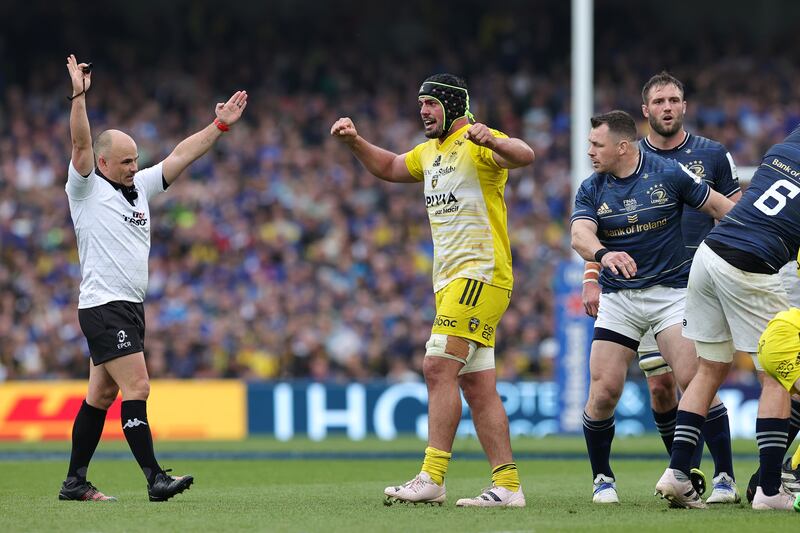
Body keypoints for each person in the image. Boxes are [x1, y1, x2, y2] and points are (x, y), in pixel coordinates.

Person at [331, 73, 534, 507]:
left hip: (479, 275)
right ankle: (508, 486)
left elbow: (526, 154)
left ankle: (433, 476)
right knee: (477, 386)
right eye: (420, 103)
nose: (422, 111)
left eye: (430, 103)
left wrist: (495, 141)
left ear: (452, 106)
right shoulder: (430, 152)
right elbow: (388, 166)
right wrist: (355, 142)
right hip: (450, 282)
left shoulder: (479, 141)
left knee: (437, 368)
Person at [58, 54, 247, 502]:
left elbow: (182, 154)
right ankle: (154, 478)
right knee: (137, 386)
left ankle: (74, 482)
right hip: (104, 305)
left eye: (135, 160)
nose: (132, 167)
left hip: (128, 305)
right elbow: (80, 143)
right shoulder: (84, 186)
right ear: (102, 163)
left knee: (100, 397)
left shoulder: (140, 186)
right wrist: (80, 96)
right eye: (124, 161)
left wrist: (217, 126)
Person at [581, 72, 742, 503]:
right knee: (616, 390)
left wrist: (765, 235)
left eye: (675, 99)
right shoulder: (592, 186)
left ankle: (722, 475)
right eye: (659, 100)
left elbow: (723, 207)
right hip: (621, 297)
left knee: (695, 379)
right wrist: (598, 265)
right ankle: (612, 478)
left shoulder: (686, 166)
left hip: (684, 289)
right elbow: (581, 236)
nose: (589, 152)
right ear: (645, 110)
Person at [654, 124, 800, 511]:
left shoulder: (781, 149)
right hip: (751, 263)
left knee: (709, 369)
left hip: (710, 253)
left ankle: (677, 473)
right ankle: (770, 491)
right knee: (777, 377)